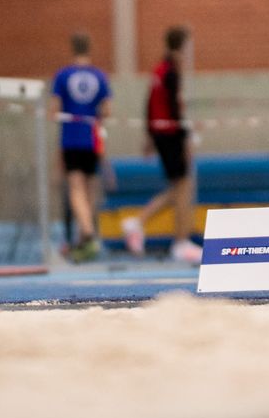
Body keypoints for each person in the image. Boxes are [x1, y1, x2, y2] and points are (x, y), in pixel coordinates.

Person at [122, 26, 201, 263]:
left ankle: (138, 223)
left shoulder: (159, 68)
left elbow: (149, 104)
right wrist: (186, 138)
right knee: (185, 185)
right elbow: (175, 109)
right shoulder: (172, 72)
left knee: (179, 188)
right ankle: (180, 242)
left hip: (160, 133)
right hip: (170, 133)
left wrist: (149, 136)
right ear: (184, 46)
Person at [51, 32, 111, 262]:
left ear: (72, 48)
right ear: (90, 48)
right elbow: (107, 110)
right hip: (92, 138)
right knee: (89, 189)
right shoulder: (99, 76)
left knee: (76, 187)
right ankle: (85, 235)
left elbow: (55, 110)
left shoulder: (63, 76)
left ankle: (86, 231)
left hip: (72, 138)